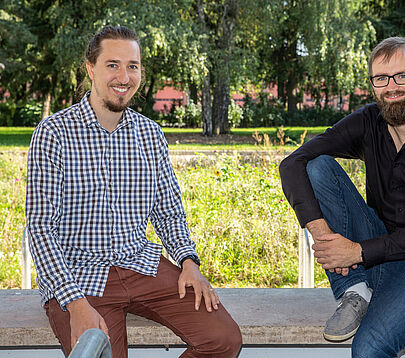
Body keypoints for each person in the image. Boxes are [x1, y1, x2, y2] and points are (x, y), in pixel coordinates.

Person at [25, 25, 242, 358]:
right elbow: (40, 229)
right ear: (90, 68)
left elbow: (168, 209)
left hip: (141, 265)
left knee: (223, 340)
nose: (123, 76)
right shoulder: (54, 133)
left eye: (132, 66)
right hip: (79, 276)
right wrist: (75, 304)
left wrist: (188, 261)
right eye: (112, 64)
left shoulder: (149, 133)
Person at [279, 36, 405, 357]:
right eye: (381, 79)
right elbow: (292, 164)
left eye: (403, 76)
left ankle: (379, 296)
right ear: (372, 85)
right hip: (378, 253)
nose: (392, 87)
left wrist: (356, 250)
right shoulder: (368, 121)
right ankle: (355, 290)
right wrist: (324, 236)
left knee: (369, 349)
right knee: (317, 166)